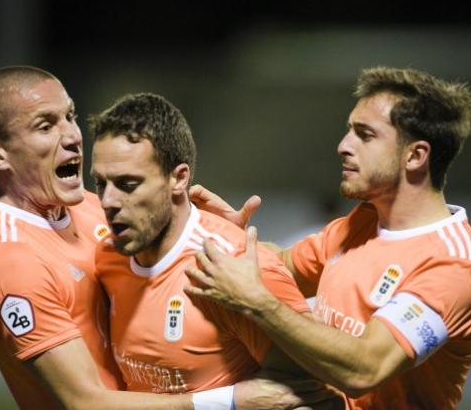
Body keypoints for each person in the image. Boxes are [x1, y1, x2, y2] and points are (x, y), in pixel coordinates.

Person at [0, 66, 334, 410]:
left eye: (71, 117)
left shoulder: (91, 208)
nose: (73, 136)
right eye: (46, 126)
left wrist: (209, 232)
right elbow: (85, 403)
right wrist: (229, 401)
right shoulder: (10, 260)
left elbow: (165, 245)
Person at [185, 67, 471, 409]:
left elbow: (365, 369)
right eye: (349, 131)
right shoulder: (363, 222)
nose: (343, 146)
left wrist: (257, 302)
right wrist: (231, 237)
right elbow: (282, 265)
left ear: (415, 156)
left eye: (364, 135)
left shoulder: (455, 263)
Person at [89, 93, 339, 407]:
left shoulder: (234, 270)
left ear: (178, 178)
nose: (108, 201)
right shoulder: (108, 257)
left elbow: (316, 397)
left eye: (127, 184)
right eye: (100, 184)